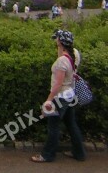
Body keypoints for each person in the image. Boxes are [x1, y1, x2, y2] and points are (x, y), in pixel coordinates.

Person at [31, 30, 86, 162]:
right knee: (71, 124)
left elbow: (58, 84)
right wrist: (59, 49)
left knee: (53, 126)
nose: (55, 41)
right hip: (70, 95)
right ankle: (79, 153)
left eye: (57, 40)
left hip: (60, 97)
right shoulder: (75, 54)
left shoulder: (62, 61)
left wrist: (49, 100)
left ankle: (47, 155)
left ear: (60, 41)